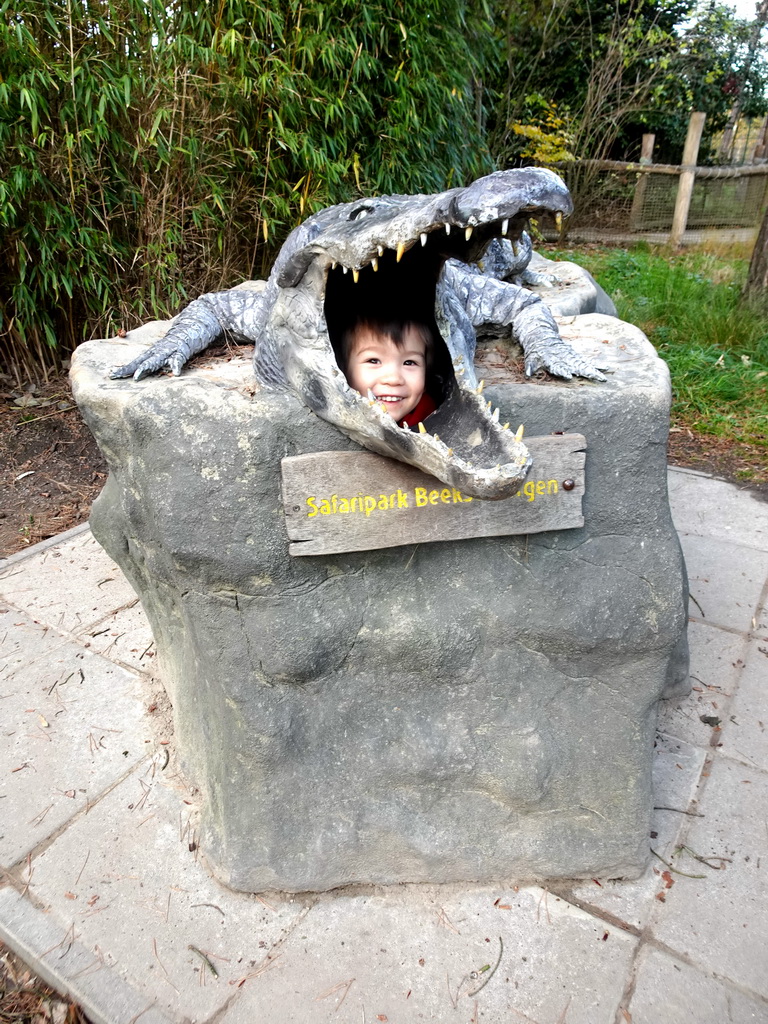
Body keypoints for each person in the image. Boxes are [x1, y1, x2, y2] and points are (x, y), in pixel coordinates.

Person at [341, 318, 437, 429]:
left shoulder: (436, 419)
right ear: (343, 373)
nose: (394, 379)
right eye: (373, 361)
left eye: (409, 362)